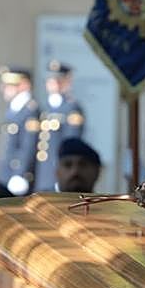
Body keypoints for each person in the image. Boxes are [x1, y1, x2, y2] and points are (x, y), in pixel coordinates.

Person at [33, 62, 86, 193]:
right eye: (50, 80)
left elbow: (71, 144)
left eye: (58, 81)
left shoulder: (71, 108)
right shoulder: (46, 108)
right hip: (43, 173)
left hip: (58, 171)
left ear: (66, 82)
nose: (53, 84)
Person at [0, 66, 40, 196]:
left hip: (17, 175)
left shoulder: (29, 110)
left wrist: (20, 173)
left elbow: (28, 145)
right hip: (7, 173)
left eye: (9, 85)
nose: (4, 89)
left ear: (24, 85)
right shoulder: (15, 108)